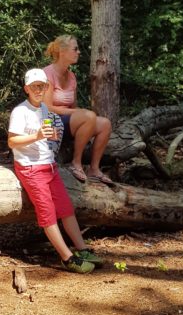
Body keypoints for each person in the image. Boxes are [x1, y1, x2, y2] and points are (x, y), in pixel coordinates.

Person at [8, 68, 104, 273]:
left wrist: (50, 138)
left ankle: (82, 249)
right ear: (27, 88)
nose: (39, 90)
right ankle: (67, 258)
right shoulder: (20, 111)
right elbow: (12, 141)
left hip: (50, 166)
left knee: (66, 209)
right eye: (34, 86)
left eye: (42, 86)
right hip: (31, 169)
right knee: (48, 213)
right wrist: (37, 136)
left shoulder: (45, 109)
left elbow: (48, 136)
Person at [43, 35, 114, 185]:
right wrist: (78, 114)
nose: (79, 52)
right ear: (62, 51)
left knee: (105, 124)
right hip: (51, 120)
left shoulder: (72, 77)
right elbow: (46, 106)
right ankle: (76, 163)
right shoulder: (47, 74)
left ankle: (94, 169)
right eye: (75, 49)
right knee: (89, 115)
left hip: (67, 121)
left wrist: (79, 114)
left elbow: (73, 107)